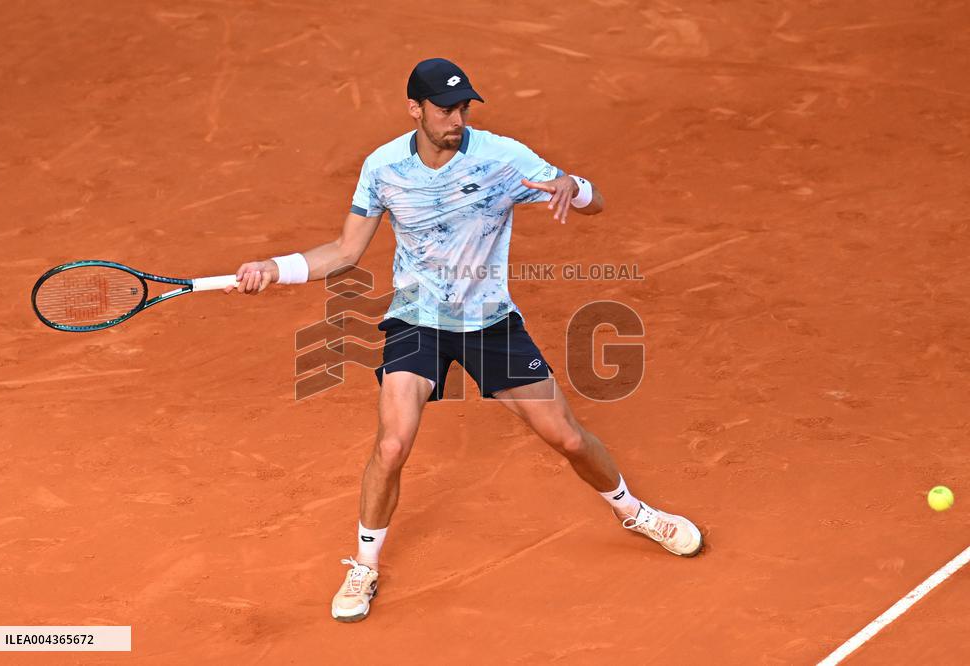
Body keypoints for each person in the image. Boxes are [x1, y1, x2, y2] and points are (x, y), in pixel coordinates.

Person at [226, 58, 703, 623]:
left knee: (569, 440)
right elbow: (345, 251)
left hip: (490, 322)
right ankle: (363, 565)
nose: (457, 118)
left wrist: (574, 189)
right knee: (392, 445)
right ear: (415, 109)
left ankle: (636, 513)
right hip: (416, 319)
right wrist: (272, 267)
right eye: (445, 109)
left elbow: (592, 200)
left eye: (463, 108)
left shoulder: (503, 158)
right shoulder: (382, 168)